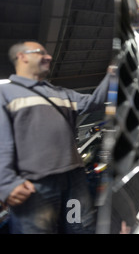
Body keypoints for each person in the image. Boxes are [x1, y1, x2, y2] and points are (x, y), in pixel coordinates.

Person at [0, 41, 111, 233]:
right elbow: (2, 141)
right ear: (22, 57)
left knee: (80, 228)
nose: (49, 57)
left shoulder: (62, 94)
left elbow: (95, 102)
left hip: (74, 180)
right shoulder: (5, 93)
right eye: (40, 53)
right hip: (36, 187)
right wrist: (7, 183)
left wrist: (113, 75)